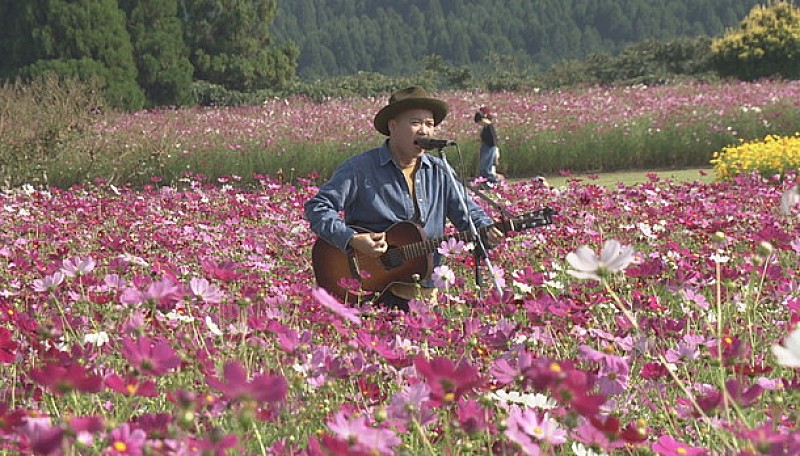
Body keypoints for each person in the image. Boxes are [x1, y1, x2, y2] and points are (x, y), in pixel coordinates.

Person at [304, 86, 504, 311]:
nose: (424, 131)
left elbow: (469, 215)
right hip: (371, 292)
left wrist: (487, 230)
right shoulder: (360, 169)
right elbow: (318, 207)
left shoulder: (440, 172)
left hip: (425, 293)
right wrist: (352, 239)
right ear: (393, 126)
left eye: (429, 124)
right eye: (416, 122)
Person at [474, 107, 502, 183]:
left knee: (486, 165)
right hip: (485, 148)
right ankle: (483, 178)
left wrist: (496, 152)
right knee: (482, 165)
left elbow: (494, 141)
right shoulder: (485, 127)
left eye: (479, 122)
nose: (480, 124)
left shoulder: (490, 127)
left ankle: (490, 179)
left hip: (490, 148)